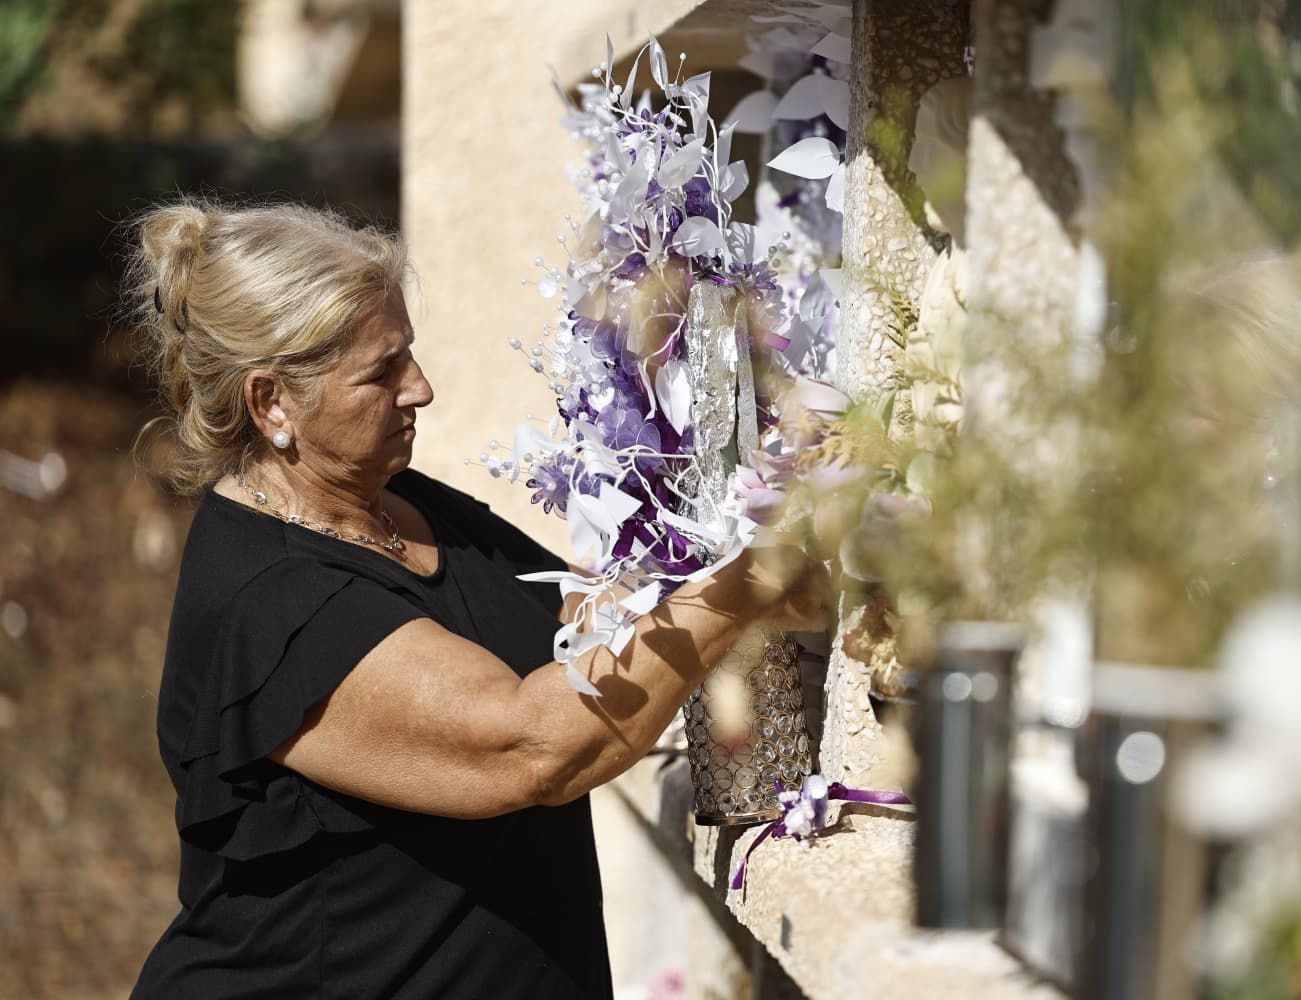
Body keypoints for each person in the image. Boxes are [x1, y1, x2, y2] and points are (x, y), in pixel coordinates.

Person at [125, 199, 823, 999]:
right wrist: (751, 583)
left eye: (409, 355)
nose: (420, 389)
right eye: (381, 370)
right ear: (270, 403)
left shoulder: (399, 504)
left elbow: (591, 616)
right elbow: (532, 746)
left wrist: (719, 514)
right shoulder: (272, 606)